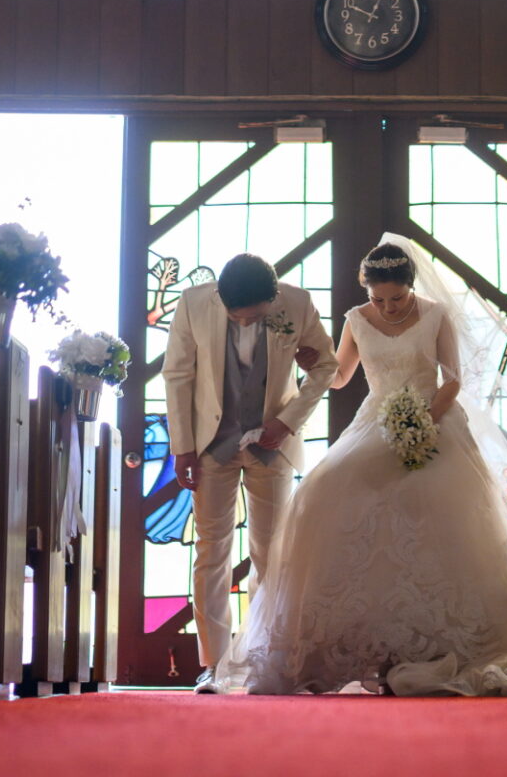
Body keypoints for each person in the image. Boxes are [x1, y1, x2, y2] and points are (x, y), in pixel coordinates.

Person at [217, 238, 507, 697]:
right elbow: (341, 377)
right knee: (325, 496)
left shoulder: (435, 315)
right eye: (378, 299)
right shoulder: (357, 320)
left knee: (444, 521)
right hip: (375, 422)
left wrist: (422, 421)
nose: (388, 308)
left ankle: (439, 642)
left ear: (410, 286)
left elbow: (451, 380)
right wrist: (309, 359)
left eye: (396, 298)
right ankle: (366, 646)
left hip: (434, 419)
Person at [161, 252, 338, 693]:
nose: (243, 323)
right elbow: (177, 375)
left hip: (271, 443)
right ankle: (215, 664)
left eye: (253, 317)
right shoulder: (193, 303)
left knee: (271, 553)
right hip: (211, 442)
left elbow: (326, 365)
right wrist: (182, 448)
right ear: (220, 298)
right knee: (211, 550)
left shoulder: (297, 304)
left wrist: (288, 421)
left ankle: (264, 659)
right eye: (235, 317)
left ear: (272, 300)